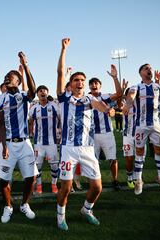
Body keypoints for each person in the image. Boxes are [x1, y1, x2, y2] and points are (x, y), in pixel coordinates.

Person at [56, 38, 111, 230]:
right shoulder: (63, 98)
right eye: (76, 80)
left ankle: (87, 210)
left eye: (82, 80)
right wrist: (63, 50)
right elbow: (60, 72)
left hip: (88, 148)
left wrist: (106, 109)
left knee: (97, 187)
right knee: (66, 186)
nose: (79, 82)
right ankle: (60, 216)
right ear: (70, 84)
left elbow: (98, 105)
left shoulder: (89, 98)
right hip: (68, 149)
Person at [0, 51, 38, 223]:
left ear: (18, 82)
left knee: (31, 178)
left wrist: (25, 66)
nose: (6, 78)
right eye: (5, 76)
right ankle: (8, 206)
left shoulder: (23, 97)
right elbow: (0, 124)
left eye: (10, 77)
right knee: (4, 179)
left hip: (25, 143)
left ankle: (24, 204)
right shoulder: (0, 99)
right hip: (8, 145)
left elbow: (33, 91)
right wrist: (4, 146)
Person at [123, 64, 160, 195]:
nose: (149, 69)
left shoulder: (159, 88)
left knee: (159, 149)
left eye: (150, 68)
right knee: (139, 151)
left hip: (156, 124)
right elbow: (131, 96)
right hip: (141, 125)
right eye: (146, 68)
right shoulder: (136, 87)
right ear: (140, 73)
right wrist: (127, 104)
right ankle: (139, 180)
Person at [88, 65, 123, 191]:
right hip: (91, 135)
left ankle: (115, 180)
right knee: (92, 160)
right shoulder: (87, 99)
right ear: (89, 87)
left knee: (112, 158)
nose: (94, 85)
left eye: (96, 83)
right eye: (91, 84)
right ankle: (95, 181)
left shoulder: (105, 97)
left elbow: (119, 94)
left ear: (100, 86)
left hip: (107, 133)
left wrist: (115, 78)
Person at [29, 85, 61, 195]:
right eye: (40, 91)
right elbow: (31, 121)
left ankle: (54, 184)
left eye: (44, 91)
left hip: (52, 142)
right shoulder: (34, 108)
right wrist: (31, 132)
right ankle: (39, 185)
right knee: (37, 166)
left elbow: (60, 119)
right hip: (38, 143)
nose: (42, 92)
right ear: (37, 94)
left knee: (54, 165)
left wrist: (59, 130)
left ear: (47, 93)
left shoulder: (54, 106)